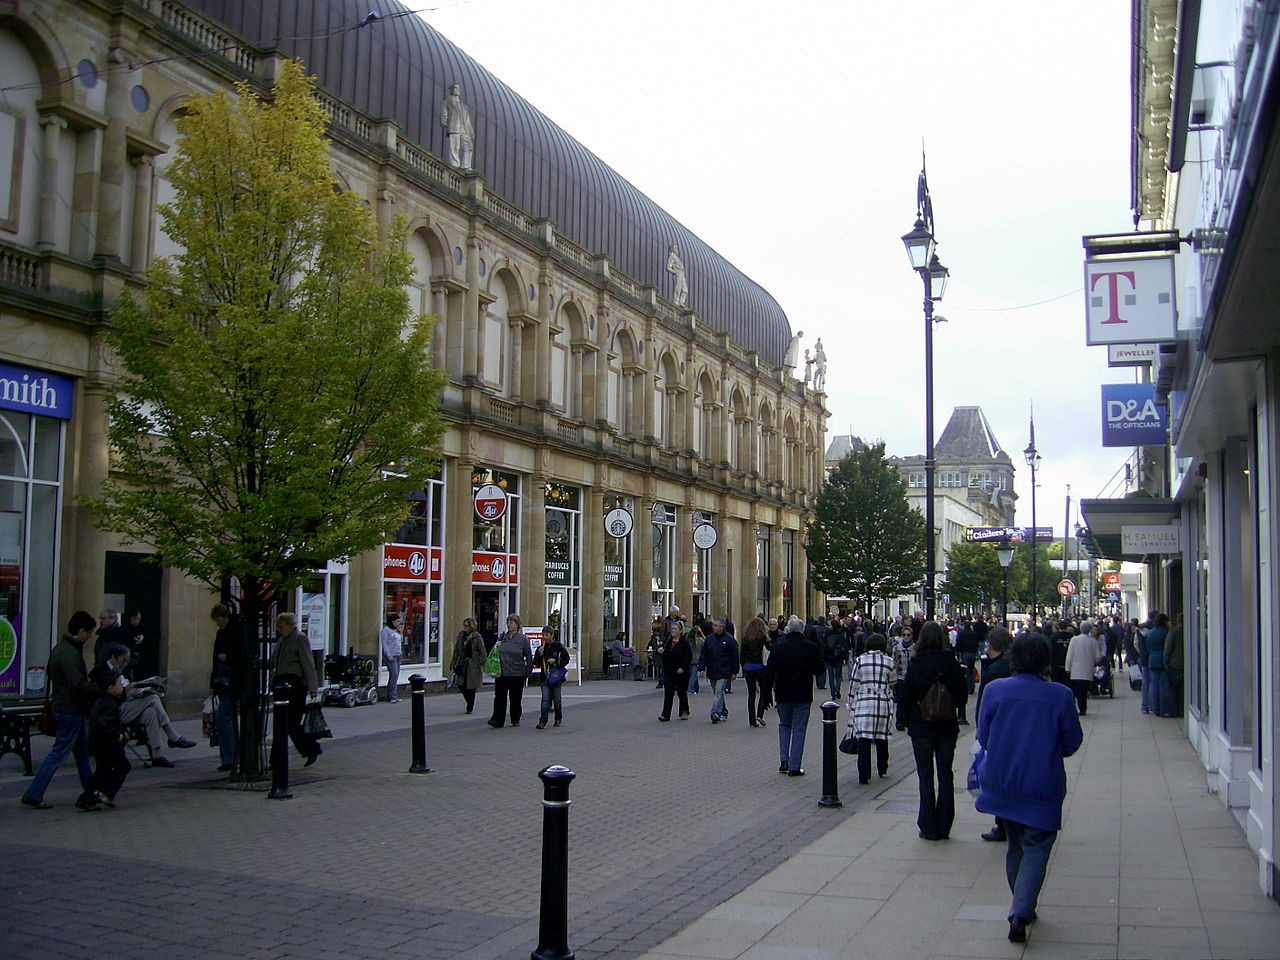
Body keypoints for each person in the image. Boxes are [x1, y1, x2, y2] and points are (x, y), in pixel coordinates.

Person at [976, 632, 1084, 943]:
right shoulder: (1060, 695)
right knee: (1036, 848)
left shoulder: (996, 690)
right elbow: (1071, 742)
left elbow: (984, 736)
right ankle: (1021, 910)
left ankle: (1022, 903)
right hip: (1041, 782)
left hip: (1003, 780)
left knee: (1016, 845)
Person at [896, 620, 969, 840]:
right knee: (945, 774)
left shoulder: (917, 664)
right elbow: (962, 696)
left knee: (925, 776)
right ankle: (945, 823)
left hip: (922, 726)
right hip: (946, 725)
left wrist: (904, 720)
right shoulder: (951, 663)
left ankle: (928, 824)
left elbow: (905, 695)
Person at [22, 611, 97, 809]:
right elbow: (77, 683)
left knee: (82, 753)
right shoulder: (69, 653)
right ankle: (34, 792)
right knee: (59, 753)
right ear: (81, 631)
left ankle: (90, 793)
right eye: (89, 633)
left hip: (70, 708)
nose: (90, 637)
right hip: (70, 709)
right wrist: (97, 688)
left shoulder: (61, 649)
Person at [104, 644, 194, 767]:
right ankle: (172, 735)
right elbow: (108, 693)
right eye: (123, 660)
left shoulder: (122, 671)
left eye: (127, 660)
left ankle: (156, 754)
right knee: (153, 698)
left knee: (150, 712)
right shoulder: (102, 671)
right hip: (114, 709)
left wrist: (137, 690)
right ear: (114, 657)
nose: (125, 663)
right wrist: (128, 691)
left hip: (128, 704)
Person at [765, 616, 823, 776]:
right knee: (799, 729)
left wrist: (766, 694)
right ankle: (795, 766)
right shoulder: (811, 648)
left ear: (788, 630)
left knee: (784, 725)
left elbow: (769, 671)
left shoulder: (778, 648)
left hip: (783, 693)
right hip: (803, 693)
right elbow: (819, 670)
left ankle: (784, 760)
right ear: (802, 630)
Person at [975, 626, 1014, 841]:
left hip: (999, 731)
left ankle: (1003, 823)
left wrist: (982, 728)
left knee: (999, 778)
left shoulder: (997, 669)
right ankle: (1007, 821)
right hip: (1008, 729)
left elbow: (988, 701)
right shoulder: (1008, 665)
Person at [76, 664, 131, 811]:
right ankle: (104, 793)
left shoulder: (106, 701)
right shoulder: (108, 703)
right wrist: (117, 734)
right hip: (106, 744)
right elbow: (104, 723)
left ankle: (87, 798)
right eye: (119, 684)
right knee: (123, 766)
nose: (122, 687)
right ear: (110, 689)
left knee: (103, 771)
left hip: (99, 743)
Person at [271, 612, 322, 766]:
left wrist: (313, 688)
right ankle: (276, 760)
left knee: (291, 724)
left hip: (295, 686)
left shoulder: (300, 639)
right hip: (281, 686)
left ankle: (311, 748)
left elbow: (308, 664)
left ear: (290, 625)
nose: (279, 629)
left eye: (281, 626)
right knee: (281, 725)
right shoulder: (282, 640)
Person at [847, 634, 895, 784]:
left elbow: (854, 682)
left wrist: (851, 700)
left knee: (864, 739)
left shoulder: (860, 660)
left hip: (864, 700)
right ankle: (882, 767)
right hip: (882, 701)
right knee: (882, 736)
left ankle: (864, 773)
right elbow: (893, 681)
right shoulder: (889, 661)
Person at [210, 603, 248, 773]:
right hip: (224, 682)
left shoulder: (235, 632)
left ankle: (229, 757)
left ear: (225, 617)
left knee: (223, 717)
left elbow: (240, 656)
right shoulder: (223, 633)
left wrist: (227, 658)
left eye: (219, 620)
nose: (218, 624)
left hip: (232, 682)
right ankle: (232, 756)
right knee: (228, 718)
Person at [487, 615, 532, 728]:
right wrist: (496, 646)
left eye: (512, 622)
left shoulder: (522, 639)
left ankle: (515, 718)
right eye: (508, 622)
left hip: (517, 673)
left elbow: (528, 656)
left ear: (517, 625)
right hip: (502, 672)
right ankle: (497, 719)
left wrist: (528, 671)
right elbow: (495, 652)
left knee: (515, 698)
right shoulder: (502, 637)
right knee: (499, 697)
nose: (509, 624)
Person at [697, 617, 739, 723]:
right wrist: (701, 667)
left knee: (719, 691)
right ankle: (723, 711)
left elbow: (735, 656)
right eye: (713, 625)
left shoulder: (729, 639)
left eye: (715, 625)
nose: (713, 627)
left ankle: (715, 712)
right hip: (712, 670)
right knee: (717, 692)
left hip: (725, 670)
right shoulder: (709, 639)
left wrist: (735, 671)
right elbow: (704, 654)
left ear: (722, 627)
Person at [739, 616, 772, 728]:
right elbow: (770, 648)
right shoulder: (762, 637)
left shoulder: (745, 638)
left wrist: (743, 667)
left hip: (748, 667)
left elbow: (742, 655)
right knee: (763, 691)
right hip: (760, 667)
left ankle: (752, 720)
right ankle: (760, 714)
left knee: (751, 694)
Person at [657, 619, 692, 722]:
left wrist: (683, 668)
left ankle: (684, 711)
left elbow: (688, 657)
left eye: (675, 629)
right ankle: (665, 714)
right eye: (672, 629)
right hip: (669, 671)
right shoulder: (668, 641)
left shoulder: (684, 643)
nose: (673, 631)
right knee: (668, 693)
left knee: (681, 692)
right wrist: (660, 650)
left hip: (680, 672)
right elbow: (665, 652)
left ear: (680, 631)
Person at [534, 630, 570, 728]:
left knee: (557, 699)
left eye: (547, 635)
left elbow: (566, 659)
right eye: (543, 635)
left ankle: (558, 718)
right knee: (545, 699)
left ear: (552, 635)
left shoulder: (558, 646)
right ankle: (543, 721)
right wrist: (539, 654)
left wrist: (556, 661)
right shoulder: (541, 647)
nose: (545, 637)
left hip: (555, 677)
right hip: (545, 676)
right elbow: (536, 663)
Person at [451, 617, 486, 714]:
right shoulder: (461, 635)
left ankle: (470, 706)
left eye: (467, 625)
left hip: (473, 664)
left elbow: (482, 652)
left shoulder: (476, 637)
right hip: (462, 663)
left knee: (471, 686)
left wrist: (479, 662)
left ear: (472, 626)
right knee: (461, 685)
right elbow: (456, 650)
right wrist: (453, 662)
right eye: (464, 625)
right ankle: (468, 701)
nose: (465, 627)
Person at [440, 82, 474, 168]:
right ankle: (455, 164)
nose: (458, 90)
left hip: (463, 128)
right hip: (453, 126)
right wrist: (444, 123)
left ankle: (466, 166)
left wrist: (470, 131)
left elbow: (467, 120)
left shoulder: (463, 105)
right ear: (451, 90)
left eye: (458, 88)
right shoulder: (447, 102)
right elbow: (444, 114)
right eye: (456, 88)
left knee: (469, 146)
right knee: (455, 146)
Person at [1145, 612, 1170, 718]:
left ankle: (1155, 707)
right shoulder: (1166, 632)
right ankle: (1163, 708)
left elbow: (1147, 646)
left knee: (1153, 685)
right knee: (1163, 685)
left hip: (1152, 659)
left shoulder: (1150, 633)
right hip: (1163, 659)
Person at [820, 619, 849, 699]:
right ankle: (837, 689)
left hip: (829, 657)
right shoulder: (840, 634)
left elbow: (824, 646)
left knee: (831, 676)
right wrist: (846, 656)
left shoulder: (826, 635)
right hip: (838, 656)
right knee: (838, 675)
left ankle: (833, 692)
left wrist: (823, 656)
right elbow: (845, 645)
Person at [1163, 613, 1184, 717]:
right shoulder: (1191, 630)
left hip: (1174, 665)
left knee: (1172, 690)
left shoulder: (1174, 631)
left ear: (1178, 620)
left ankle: (1173, 710)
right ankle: (1182, 709)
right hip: (1186, 665)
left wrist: (1165, 661)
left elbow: (1168, 648)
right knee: (1183, 690)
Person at [379, 614, 404, 703]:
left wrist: (400, 632)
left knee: (396, 676)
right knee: (394, 674)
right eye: (397, 622)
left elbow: (400, 642)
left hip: (398, 654)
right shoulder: (386, 630)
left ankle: (394, 695)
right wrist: (388, 654)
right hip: (391, 655)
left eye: (399, 622)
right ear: (392, 621)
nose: (398, 624)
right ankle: (391, 696)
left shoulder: (396, 631)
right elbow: (384, 643)